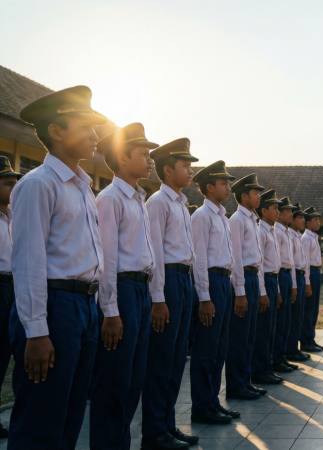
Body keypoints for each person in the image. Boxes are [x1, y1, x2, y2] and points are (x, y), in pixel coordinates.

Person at [10, 86, 106, 449]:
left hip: (84, 306)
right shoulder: (38, 184)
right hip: (54, 306)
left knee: (69, 414)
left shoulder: (83, 188)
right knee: (41, 419)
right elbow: (29, 261)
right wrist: (36, 331)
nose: (95, 135)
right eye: (86, 126)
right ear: (56, 131)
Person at [91, 123, 158, 449]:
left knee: (133, 379)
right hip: (122, 291)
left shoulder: (137, 199)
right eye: (144, 154)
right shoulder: (110, 199)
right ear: (121, 157)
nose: (150, 161)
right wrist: (111, 310)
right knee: (114, 381)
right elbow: (108, 261)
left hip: (140, 291)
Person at [142, 138, 200, 449]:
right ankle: (153, 432)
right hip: (168, 283)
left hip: (184, 281)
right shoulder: (158, 203)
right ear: (167, 170)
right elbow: (156, 255)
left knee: (177, 360)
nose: (191, 171)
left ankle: (167, 424)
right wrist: (158, 298)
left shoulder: (180, 203)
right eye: (185, 166)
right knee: (161, 360)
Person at [189, 160, 238, 425]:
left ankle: (212, 401)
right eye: (223, 183)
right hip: (210, 281)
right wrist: (205, 297)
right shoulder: (202, 216)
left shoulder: (221, 215)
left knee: (220, 348)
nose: (228, 187)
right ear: (209, 187)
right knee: (206, 348)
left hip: (224, 282)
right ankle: (201, 406)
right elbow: (198, 259)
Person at [226, 174, 267, 400]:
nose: (259, 197)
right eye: (255, 193)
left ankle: (245, 380)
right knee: (239, 336)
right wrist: (240, 292)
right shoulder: (237, 220)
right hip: (242, 278)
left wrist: (261, 290)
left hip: (253, 277)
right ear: (244, 196)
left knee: (250, 334)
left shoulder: (252, 219)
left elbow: (257, 259)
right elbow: (237, 259)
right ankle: (235, 384)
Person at [252, 190, 285, 385]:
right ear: (264, 211)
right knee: (263, 329)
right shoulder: (260, 231)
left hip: (273, 280)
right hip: (263, 279)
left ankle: (267, 367)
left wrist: (278, 289)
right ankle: (259, 370)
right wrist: (263, 291)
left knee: (271, 327)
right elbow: (260, 264)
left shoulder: (271, 230)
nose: (278, 212)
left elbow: (275, 264)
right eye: (275, 208)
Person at [0, 157, 21, 438]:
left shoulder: (13, 217)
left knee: (6, 352)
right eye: (6, 183)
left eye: (15, 183)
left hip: (12, 287)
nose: (13, 188)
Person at [273, 197, 299, 373]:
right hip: (279, 275)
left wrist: (294, 284)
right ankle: (275, 358)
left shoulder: (287, 232)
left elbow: (292, 262)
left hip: (287, 275)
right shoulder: (276, 231)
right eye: (288, 211)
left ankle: (281, 356)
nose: (291, 214)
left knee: (286, 320)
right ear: (280, 213)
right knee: (279, 320)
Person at [286, 203, 310, 362]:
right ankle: (290, 349)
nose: (303, 221)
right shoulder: (289, 235)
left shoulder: (297, 236)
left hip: (300, 276)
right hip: (292, 276)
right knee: (292, 316)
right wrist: (294, 284)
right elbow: (291, 263)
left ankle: (293, 347)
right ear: (292, 220)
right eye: (299, 217)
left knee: (299, 314)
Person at [300, 206, 323, 353]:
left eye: (319, 220)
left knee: (314, 308)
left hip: (316, 273)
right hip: (310, 273)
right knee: (308, 309)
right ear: (307, 223)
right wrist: (307, 283)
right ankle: (305, 341)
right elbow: (306, 263)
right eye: (315, 220)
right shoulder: (306, 239)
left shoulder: (314, 237)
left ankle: (311, 338)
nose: (318, 223)